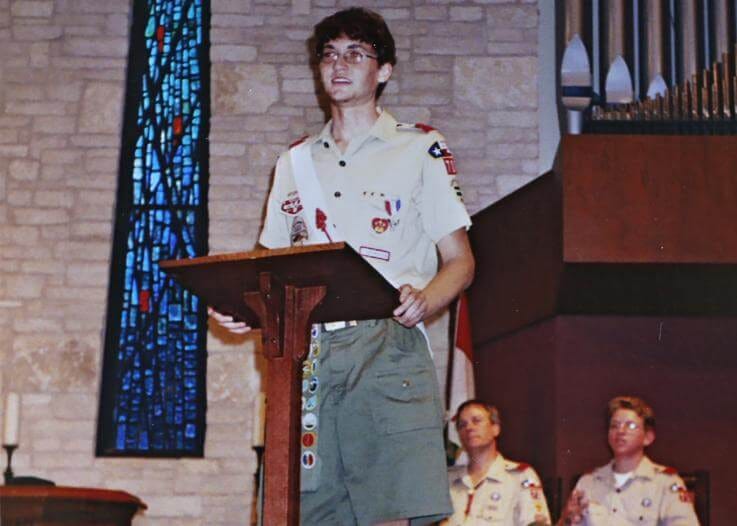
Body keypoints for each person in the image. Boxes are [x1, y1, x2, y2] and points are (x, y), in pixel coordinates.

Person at [210, 7, 475, 525]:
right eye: (329, 54)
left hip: (386, 345)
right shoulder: (294, 163)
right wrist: (244, 307)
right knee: (306, 510)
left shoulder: (419, 148)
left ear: (384, 70)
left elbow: (460, 261)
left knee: (389, 511)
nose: (339, 64)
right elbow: (269, 267)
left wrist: (426, 299)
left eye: (356, 53)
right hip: (307, 355)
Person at [557, 396, 699, 525]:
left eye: (630, 425)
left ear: (648, 437)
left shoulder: (666, 483)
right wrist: (566, 519)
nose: (621, 431)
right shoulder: (588, 483)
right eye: (615, 425)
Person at [442, 400, 551, 525]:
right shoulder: (447, 481)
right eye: (462, 425)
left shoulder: (521, 476)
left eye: (476, 421)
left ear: (495, 429)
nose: (469, 428)